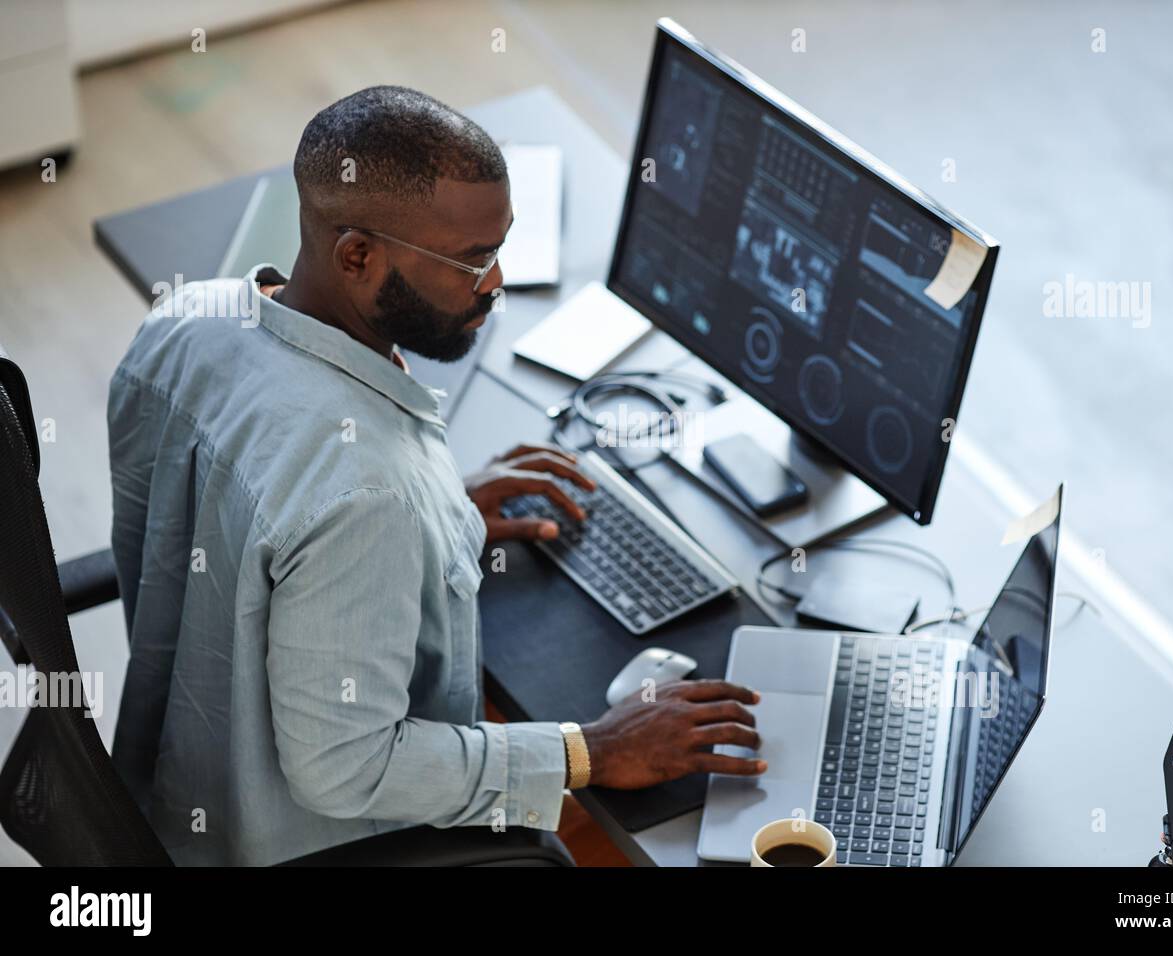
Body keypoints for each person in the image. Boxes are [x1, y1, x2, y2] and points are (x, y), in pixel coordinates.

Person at [107, 85, 765, 865]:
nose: (496, 285)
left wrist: (441, 518)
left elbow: (260, 516)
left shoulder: (185, 320)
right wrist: (588, 750)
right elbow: (345, 768)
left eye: (500, 246)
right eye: (472, 262)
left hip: (174, 784)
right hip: (299, 842)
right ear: (357, 255)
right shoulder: (368, 493)